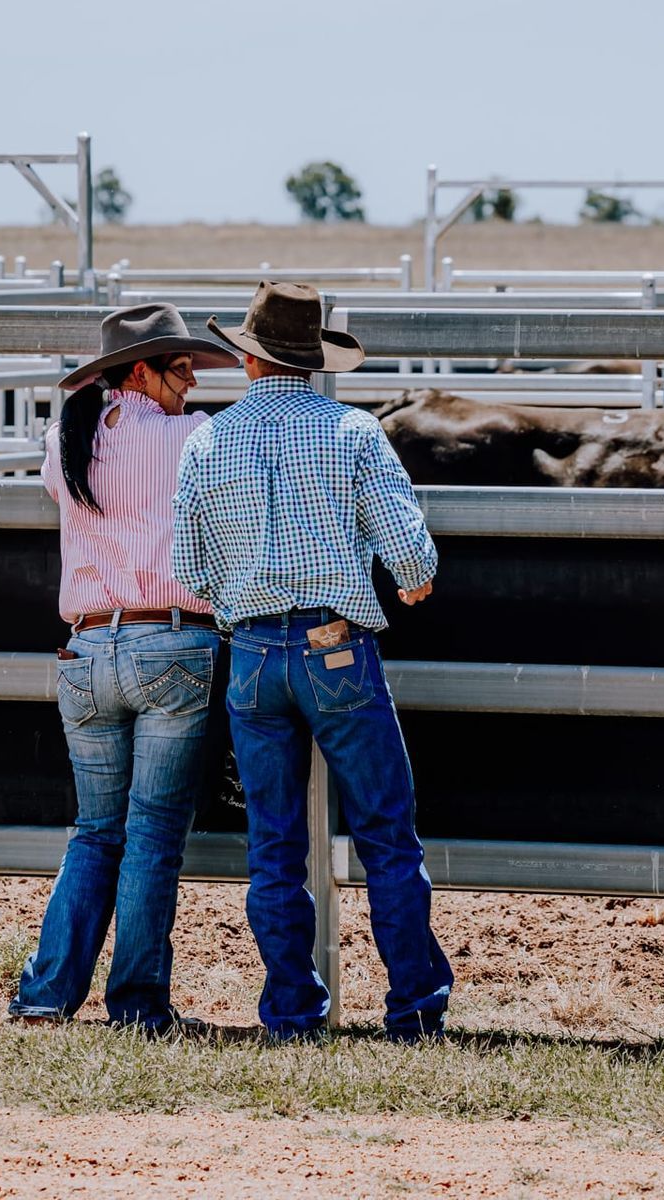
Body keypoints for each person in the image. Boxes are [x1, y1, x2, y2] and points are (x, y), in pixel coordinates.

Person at [172, 281, 450, 1042]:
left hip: (253, 652)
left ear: (248, 359)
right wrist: (402, 575)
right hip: (337, 648)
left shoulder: (206, 441)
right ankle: (414, 1010)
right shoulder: (353, 432)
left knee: (274, 843)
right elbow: (412, 559)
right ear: (313, 360)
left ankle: (292, 1012)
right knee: (387, 833)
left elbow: (191, 573)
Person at [9, 305, 239, 1030]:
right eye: (180, 370)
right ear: (141, 370)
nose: (191, 384)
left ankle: (48, 993)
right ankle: (138, 1003)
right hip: (171, 642)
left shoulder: (65, 441)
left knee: (96, 830)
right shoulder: (191, 437)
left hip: (85, 647)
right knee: (154, 833)